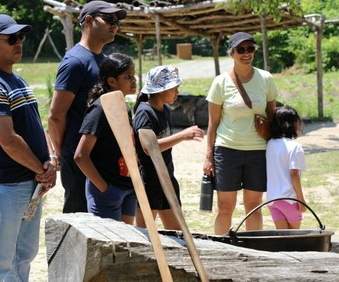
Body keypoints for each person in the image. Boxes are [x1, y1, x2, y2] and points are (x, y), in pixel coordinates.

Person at [0, 14, 57, 281]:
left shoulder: (16, 80)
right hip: (5, 186)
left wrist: (51, 159)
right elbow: (7, 140)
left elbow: (35, 125)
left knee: (22, 260)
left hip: (26, 184)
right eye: (11, 39)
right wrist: (41, 170)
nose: (19, 43)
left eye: (21, 37)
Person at [48, 0, 127, 213]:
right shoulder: (75, 61)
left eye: (117, 21)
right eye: (109, 19)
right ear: (89, 21)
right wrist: (64, 153)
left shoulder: (104, 61)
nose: (115, 25)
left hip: (101, 160)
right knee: (79, 225)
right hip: (79, 159)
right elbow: (56, 115)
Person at [204, 32, 278, 235]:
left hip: (258, 150)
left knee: (253, 207)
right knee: (225, 207)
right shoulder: (220, 82)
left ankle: (253, 250)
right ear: (232, 53)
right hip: (227, 150)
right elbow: (212, 123)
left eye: (250, 49)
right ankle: (221, 249)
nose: (246, 53)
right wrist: (209, 156)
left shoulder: (266, 78)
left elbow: (272, 116)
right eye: (241, 49)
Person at [132, 65, 204, 230]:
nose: (177, 92)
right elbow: (149, 148)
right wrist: (183, 135)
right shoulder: (145, 113)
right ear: (160, 90)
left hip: (166, 177)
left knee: (177, 235)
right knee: (146, 237)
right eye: (174, 88)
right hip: (148, 181)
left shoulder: (165, 109)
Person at [73, 53, 138, 224]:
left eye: (133, 75)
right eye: (128, 76)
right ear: (112, 81)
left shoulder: (124, 106)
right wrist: (105, 190)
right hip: (108, 191)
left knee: (127, 245)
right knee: (109, 248)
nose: (134, 80)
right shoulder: (100, 109)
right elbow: (80, 156)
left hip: (128, 187)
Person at [266, 105, 307, 230]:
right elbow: (294, 174)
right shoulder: (295, 147)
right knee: (294, 238)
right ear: (294, 124)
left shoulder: (269, 144)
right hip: (289, 199)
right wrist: (301, 199)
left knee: (282, 237)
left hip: (272, 200)